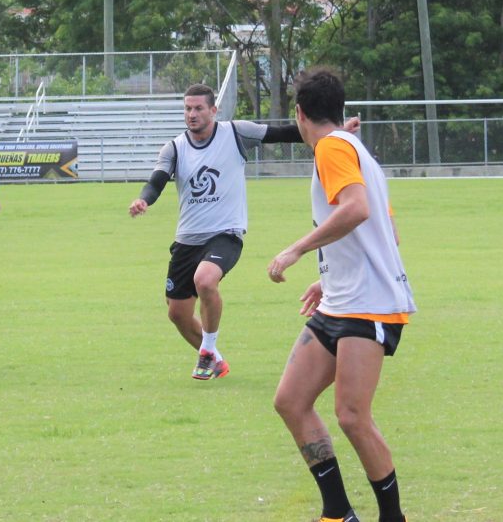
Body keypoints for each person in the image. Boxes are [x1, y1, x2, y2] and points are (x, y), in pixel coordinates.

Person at [129, 83, 359, 380]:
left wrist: (335, 132)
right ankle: (216, 359)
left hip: (226, 234)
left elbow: (284, 133)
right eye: (187, 108)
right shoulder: (174, 148)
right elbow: (157, 181)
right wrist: (143, 200)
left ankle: (207, 351)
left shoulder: (236, 133)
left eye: (198, 108)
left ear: (213, 110)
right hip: (187, 240)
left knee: (205, 280)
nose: (192, 114)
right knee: (177, 314)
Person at [267, 68, 416, 522]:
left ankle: (393, 517)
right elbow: (388, 231)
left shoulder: (334, 149)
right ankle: (338, 513)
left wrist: (296, 250)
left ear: (299, 113)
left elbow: (357, 209)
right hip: (343, 298)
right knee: (291, 401)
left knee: (352, 415)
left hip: (369, 304)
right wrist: (329, 275)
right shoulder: (349, 148)